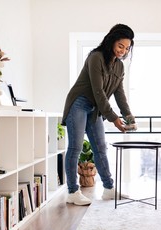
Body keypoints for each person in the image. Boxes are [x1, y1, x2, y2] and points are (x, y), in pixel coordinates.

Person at [61, 24, 136, 206]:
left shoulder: (119, 67)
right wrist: (114, 118)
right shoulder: (96, 57)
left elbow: (119, 93)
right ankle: (72, 191)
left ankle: (109, 189)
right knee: (75, 148)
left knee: (101, 148)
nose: (123, 51)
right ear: (111, 41)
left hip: (95, 108)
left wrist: (129, 117)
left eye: (127, 48)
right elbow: (98, 92)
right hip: (79, 103)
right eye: (120, 46)